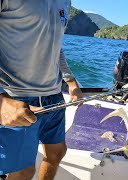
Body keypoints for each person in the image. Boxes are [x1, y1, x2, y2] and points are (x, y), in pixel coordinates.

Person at [0, 0, 83, 179]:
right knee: (23, 171)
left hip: (54, 95)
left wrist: (71, 81)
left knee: (56, 153)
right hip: (17, 97)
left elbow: (55, 44)